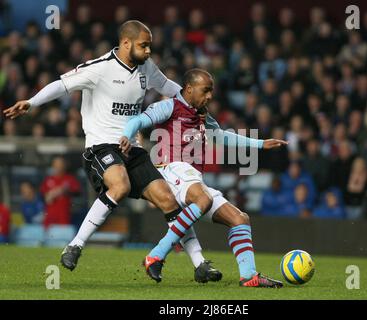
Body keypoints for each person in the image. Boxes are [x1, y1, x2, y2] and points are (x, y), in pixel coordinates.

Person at [3, 21, 220, 283]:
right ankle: (75, 245)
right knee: (120, 185)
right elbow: (61, 85)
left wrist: (193, 102)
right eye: (144, 45)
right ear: (126, 43)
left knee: (168, 200)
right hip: (101, 146)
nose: (149, 50)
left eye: (149, 45)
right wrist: (32, 102)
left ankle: (199, 264)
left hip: (133, 147)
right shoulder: (99, 68)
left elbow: (169, 87)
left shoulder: (146, 68)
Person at [122, 68, 288, 287]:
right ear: (189, 89)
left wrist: (260, 144)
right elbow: (138, 121)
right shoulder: (170, 106)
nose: (210, 95)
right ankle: (156, 254)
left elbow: (220, 137)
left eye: (211, 91)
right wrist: (125, 135)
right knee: (203, 199)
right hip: (170, 169)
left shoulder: (202, 114)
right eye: (205, 90)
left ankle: (249, 276)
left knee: (239, 219)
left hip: (192, 177)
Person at [40, 157, 80, 228]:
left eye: (60, 165)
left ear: (64, 166)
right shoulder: (48, 180)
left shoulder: (70, 179)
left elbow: (77, 193)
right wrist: (49, 196)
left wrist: (66, 191)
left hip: (64, 217)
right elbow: (42, 196)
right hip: (49, 219)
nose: (58, 167)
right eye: (56, 165)